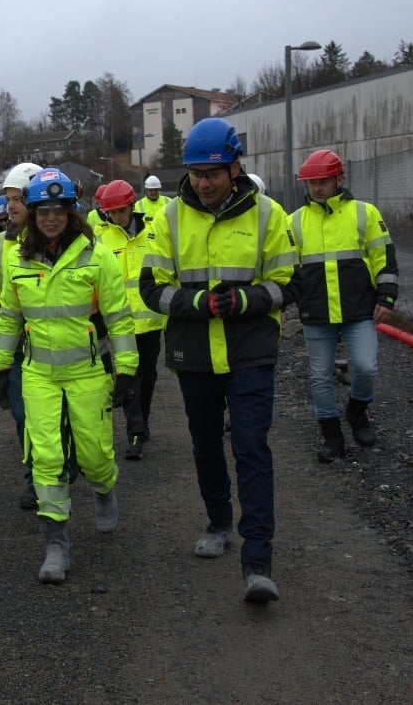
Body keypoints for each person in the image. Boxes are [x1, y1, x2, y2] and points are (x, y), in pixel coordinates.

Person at [139, 117, 299, 603]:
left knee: (251, 446)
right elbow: (151, 289)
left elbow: (289, 282)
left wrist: (244, 302)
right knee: (206, 443)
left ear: (235, 168)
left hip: (250, 350)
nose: (203, 184)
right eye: (195, 174)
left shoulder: (270, 216)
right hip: (194, 354)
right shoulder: (167, 218)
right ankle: (218, 522)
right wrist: (198, 304)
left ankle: (258, 563)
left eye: (212, 174)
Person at [0, 168, 137, 584]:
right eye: (43, 211)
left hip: (87, 372)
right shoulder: (18, 259)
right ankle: (56, 542)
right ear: (32, 214)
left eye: (59, 210)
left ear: (72, 212)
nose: (50, 217)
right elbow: (9, 316)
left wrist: (126, 371)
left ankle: (105, 489)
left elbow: (119, 318)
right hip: (38, 374)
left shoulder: (97, 256)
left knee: (93, 452)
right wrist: (3, 367)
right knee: (47, 454)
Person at [291, 149, 397, 462]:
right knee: (320, 377)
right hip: (316, 312)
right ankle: (331, 436)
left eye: (323, 181)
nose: (317, 188)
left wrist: (387, 296)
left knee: (366, 366)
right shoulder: (294, 221)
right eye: (311, 183)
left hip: (358, 309)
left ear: (339, 178)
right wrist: (284, 304)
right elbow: (284, 269)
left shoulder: (364, 213)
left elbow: (383, 258)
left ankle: (357, 411)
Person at [0, 162, 41, 509]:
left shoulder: (68, 242)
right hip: (16, 346)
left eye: (18, 199)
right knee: (22, 414)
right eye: (8, 198)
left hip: (56, 345)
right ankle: (34, 479)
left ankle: (62, 462)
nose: (11, 206)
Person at [93, 180, 166, 460]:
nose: (116, 217)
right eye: (111, 213)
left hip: (149, 322)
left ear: (131, 206)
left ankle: (142, 423)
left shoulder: (152, 234)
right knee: (128, 376)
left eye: (120, 211)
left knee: (147, 376)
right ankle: (134, 431)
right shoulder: (101, 240)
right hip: (120, 323)